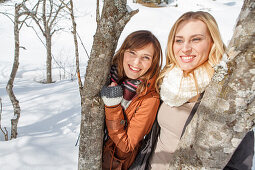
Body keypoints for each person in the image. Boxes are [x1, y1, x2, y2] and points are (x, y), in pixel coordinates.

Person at [146, 11, 254, 170]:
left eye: (196, 39)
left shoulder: (226, 95)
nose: (185, 48)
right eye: (179, 40)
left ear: (212, 42)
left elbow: (240, 163)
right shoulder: (168, 80)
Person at [100, 30, 162, 170]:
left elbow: (127, 145)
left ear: (153, 62)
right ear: (123, 52)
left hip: (115, 164)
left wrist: (112, 106)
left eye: (145, 57)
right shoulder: (110, 75)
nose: (136, 62)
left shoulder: (150, 98)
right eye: (132, 53)